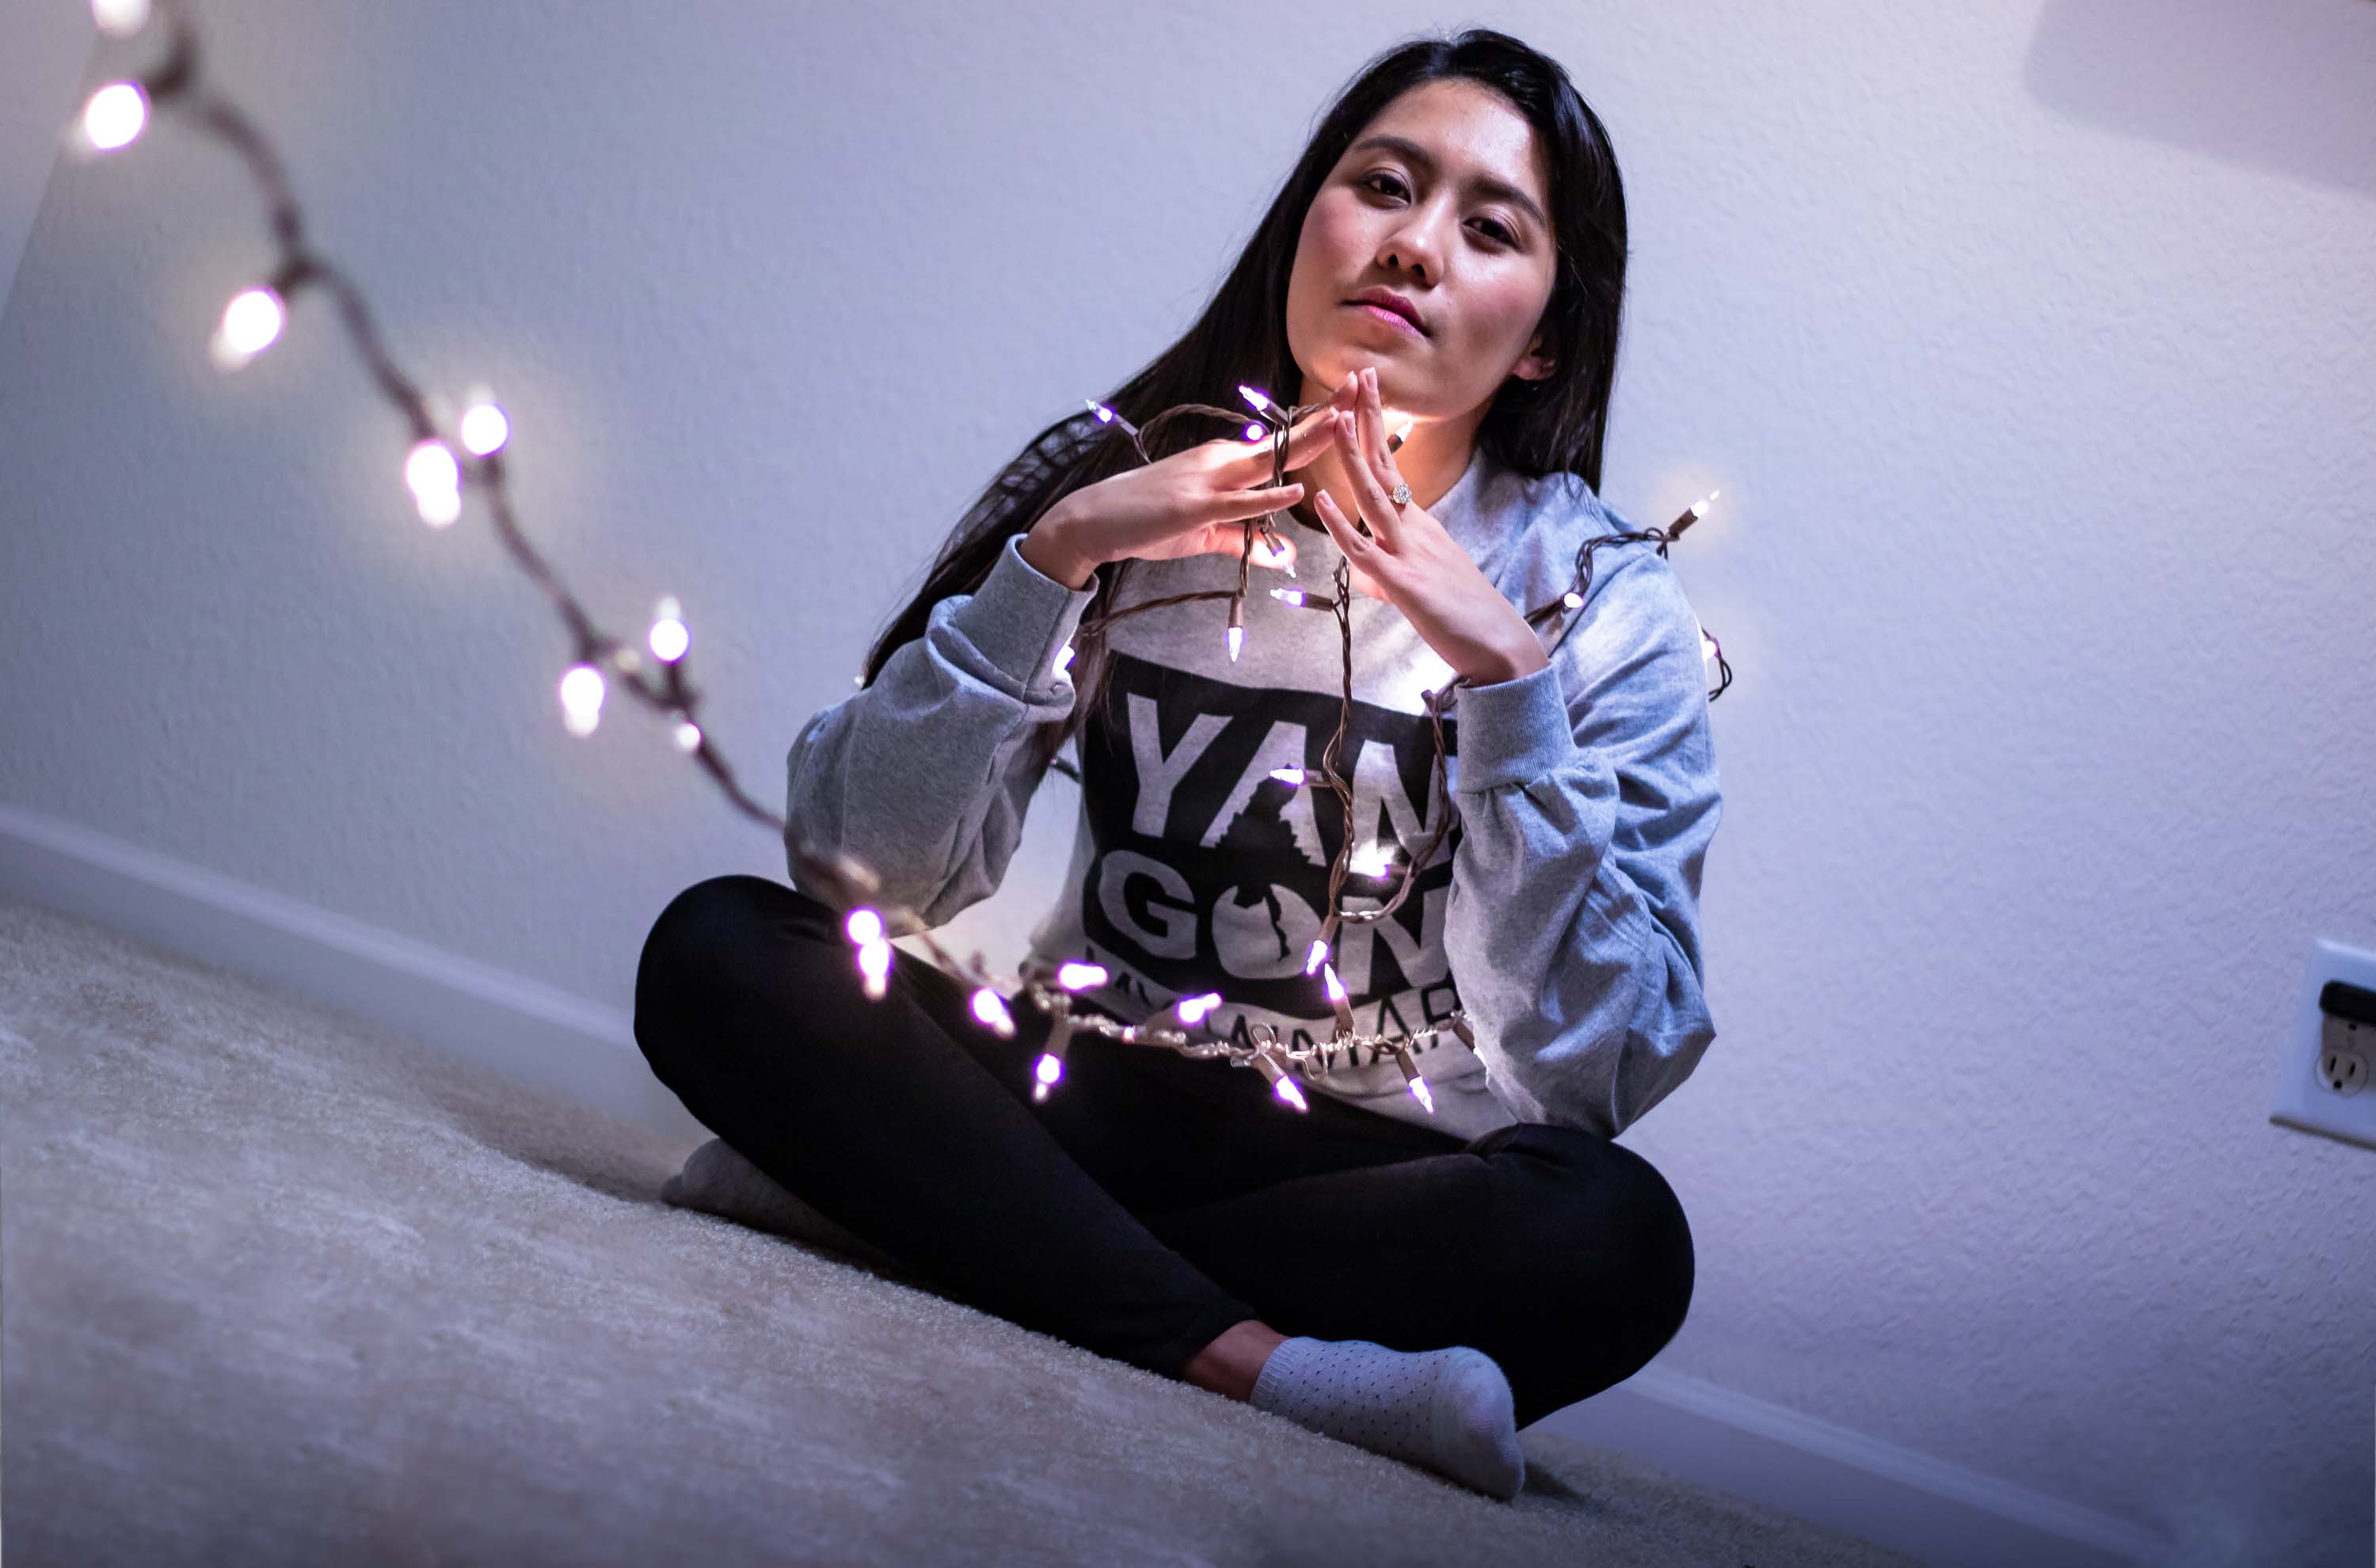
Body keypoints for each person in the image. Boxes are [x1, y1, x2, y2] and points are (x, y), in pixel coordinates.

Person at [634, 27, 1721, 1502]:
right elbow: (856, 873)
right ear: (1304, 228)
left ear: (1542, 335)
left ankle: (922, 1217)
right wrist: (1057, 557)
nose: (1414, 245)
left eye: (1490, 228)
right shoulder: (1138, 484)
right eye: (1383, 185)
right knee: (717, 949)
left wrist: (1508, 685)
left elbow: (1594, 1074)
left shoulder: (1604, 605)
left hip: (1367, 1169)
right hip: (1083, 1087)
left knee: (1618, 1236)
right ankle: (1262, 1364)